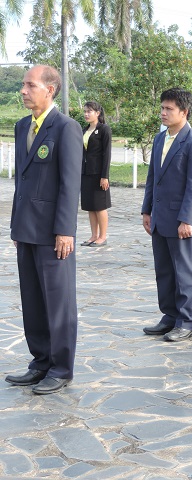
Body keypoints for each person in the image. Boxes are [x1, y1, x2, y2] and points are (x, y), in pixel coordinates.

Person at [6, 64, 82, 394]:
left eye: (30, 85)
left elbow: (69, 183)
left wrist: (65, 230)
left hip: (53, 233)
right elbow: (22, 181)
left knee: (58, 302)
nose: (23, 91)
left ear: (49, 90)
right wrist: (16, 225)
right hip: (27, 229)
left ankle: (61, 368)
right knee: (33, 300)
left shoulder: (66, 127)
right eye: (23, 85)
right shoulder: (23, 126)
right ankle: (40, 362)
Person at [141, 88, 192, 342]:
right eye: (162, 108)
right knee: (165, 271)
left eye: (169, 109)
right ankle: (169, 316)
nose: (163, 112)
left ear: (184, 112)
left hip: (181, 220)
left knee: (184, 272)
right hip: (159, 217)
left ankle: (188, 321)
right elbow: (153, 178)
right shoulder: (160, 139)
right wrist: (146, 209)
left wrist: (186, 219)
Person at [80, 101, 111, 248]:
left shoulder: (104, 129)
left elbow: (107, 154)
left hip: (99, 174)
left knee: (99, 206)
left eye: (89, 111)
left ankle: (102, 237)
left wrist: (105, 176)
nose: (86, 114)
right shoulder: (84, 130)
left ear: (97, 113)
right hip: (86, 172)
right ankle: (94, 235)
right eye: (85, 111)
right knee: (90, 206)